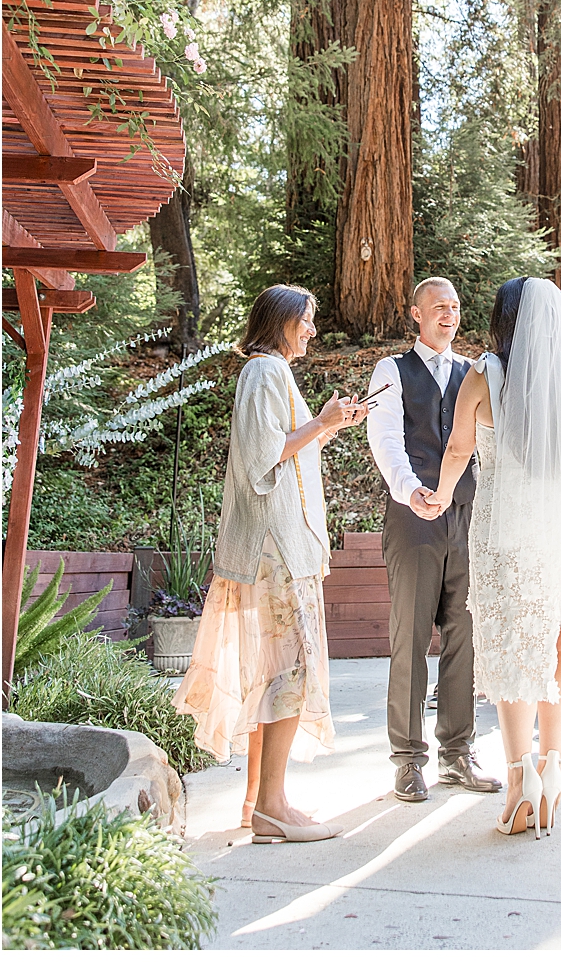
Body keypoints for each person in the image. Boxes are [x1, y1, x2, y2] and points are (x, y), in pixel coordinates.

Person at [172, 286, 369, 842]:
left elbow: (289, 450)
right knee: (289, 671)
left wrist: (332, 423)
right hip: (276, 546)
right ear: (280, 321)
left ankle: (258, 801)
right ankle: (273, 808)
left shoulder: (271, 373)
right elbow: (266, 454)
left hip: (285, 543)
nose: (311, 330)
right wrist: (322, 419)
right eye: (305, 320)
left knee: (273, 672)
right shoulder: (264, 372)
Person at [429, 277, 561, 835]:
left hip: (503, 533)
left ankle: (519, 780)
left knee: (512, 646)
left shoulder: (484, 374)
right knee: (560, 641)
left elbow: (459, 450)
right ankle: (554, 767)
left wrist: (438, 497)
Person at [362, 278, 502, 804]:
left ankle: (458, 753)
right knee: (411, 638)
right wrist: (411, 490)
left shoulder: (474, 374)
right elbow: (385, 438)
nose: (450, 313)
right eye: (439, 306)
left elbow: (488, 443)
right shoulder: (391, 371)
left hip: (467, 517)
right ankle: (406, 759)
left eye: (456, 307)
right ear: (416, 315)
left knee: (465, 637)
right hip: (413, 517)